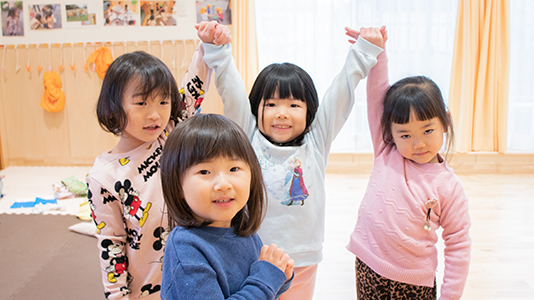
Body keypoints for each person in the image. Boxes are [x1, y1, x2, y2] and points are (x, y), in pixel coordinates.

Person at [195, 20, 386, 299]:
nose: (281, 113)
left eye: (293, 105)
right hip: (253, 254)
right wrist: (217, 47)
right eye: (271, 104)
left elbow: (341, 92)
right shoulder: (248, 137)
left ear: (309, 111)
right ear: (255, 107)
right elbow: (231, 87)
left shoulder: (316, 140)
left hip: (302, 259)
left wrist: (364, 50)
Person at [86, 26, 231, 300]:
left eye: (164, 102)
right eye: (141, 103)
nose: (155, 114)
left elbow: (192, 90)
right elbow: (111, 244)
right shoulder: (103, 176)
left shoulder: (169, 134)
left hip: (196, 272)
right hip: (149, 289)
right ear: (114, 107)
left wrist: (206, 46)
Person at [345, 27, 471, 300]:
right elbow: (378, 95)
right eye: (406, 134)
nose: (418, 144)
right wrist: (378, 51)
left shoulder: (449, 187)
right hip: (368, 266)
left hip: (414, 284)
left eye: (427, 130)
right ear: (391, 132)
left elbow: (458, 245)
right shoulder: (386, 150)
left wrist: (450, 297)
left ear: (445, 122)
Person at [160, 114, 295, 299]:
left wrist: (277, 277)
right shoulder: (186, 248)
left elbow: (251, 288)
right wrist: (266, 279)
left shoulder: (243, 233)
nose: (223, 184)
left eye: (233, 169)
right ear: (177, 186)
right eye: (204, 171)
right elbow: (257, 286)